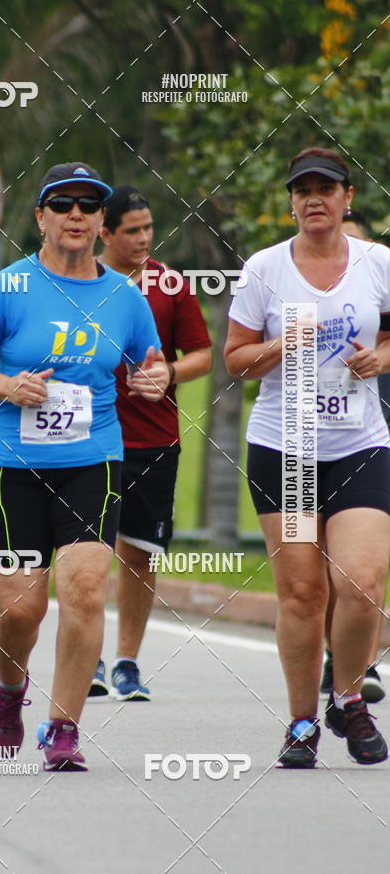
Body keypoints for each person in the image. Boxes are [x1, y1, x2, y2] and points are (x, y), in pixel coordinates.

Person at [0, 163, 164, 771]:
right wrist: (6, 385)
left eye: (88, 207)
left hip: (92, 458)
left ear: (101, 222)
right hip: (10, 464)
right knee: (19, 608)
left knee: (86, 588)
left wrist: (154, 378)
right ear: (39, 217)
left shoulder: (123, 295)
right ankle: (9, 692)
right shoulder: (11, 286)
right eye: (61, 205)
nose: (75, 215)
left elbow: (152, 363)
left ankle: (63, 727)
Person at [225, 147, 390, 768]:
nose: (314, 198)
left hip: (360, 444)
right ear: (291, 202)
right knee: (301, 591)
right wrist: (276, 347)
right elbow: (235, 360)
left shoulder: (378, 263)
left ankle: (349, 697)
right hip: (286, 451)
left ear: (349, 198)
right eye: (303, 190)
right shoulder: (264, 270)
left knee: (364, 583)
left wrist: (382, 358)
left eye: (327, 188)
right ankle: (300, 722)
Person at [88, 185, 212, 700]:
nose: (144, 239)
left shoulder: (172, 285)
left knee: (138, 555)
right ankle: (88, 658)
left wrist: (169, 372)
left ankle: (126, 664)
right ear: (105, 232)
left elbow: (203, 355)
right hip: (89, 439)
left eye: (148, 228)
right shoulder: (76, 281)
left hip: (154, 441)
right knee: (87, 555)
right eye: (132, 230)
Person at [320, 210, 387, 703]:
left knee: (365, 566)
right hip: (308, 444)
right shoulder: (302, 286)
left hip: (372, 438)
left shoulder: (380, 276)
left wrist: (380, 359)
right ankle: (336, 659)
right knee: (324, 568)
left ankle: (361, 665)